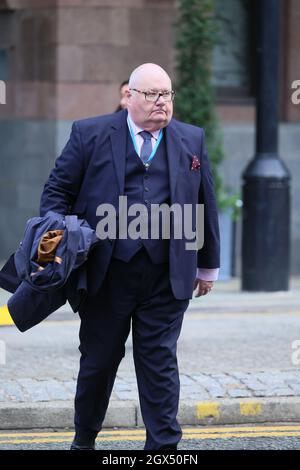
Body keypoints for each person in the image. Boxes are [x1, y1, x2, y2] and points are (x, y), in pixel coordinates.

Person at [39, 63, 220, 451]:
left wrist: (208, 266)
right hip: (107, 271)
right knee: (99, 361)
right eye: (153, 95)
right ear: (130, 97)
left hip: (166, 273)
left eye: (167, 94)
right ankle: (84, 439)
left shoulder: (191, 138)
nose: (162, 103)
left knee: (159, 362)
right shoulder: (89, 134)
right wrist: (58, 243)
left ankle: (163, 448)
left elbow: (204, 202)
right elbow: (56, 193)